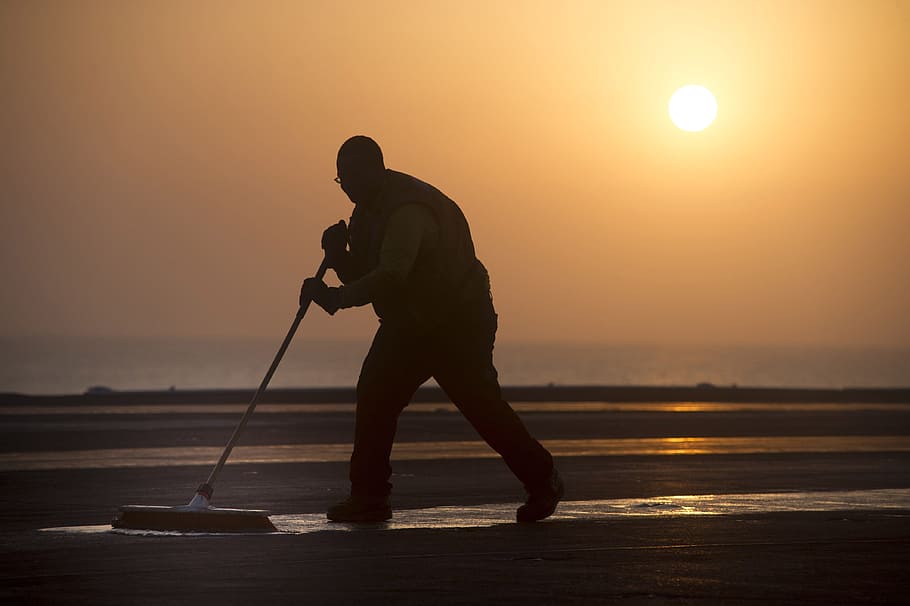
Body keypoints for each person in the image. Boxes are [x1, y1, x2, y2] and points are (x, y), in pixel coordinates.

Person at [300, 136, 563, 523]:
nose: (348, 189)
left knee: (480, 406)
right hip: (409, 324)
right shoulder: (367, 210)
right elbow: (371, 275)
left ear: (374, 170)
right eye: (342, 181)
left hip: (457, 323)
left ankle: (543, 481)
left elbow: (392, 276)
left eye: (352, 178)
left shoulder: (408, 210)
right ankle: (369, 496)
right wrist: (340, 258)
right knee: (375, 395)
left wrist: (335, 298)